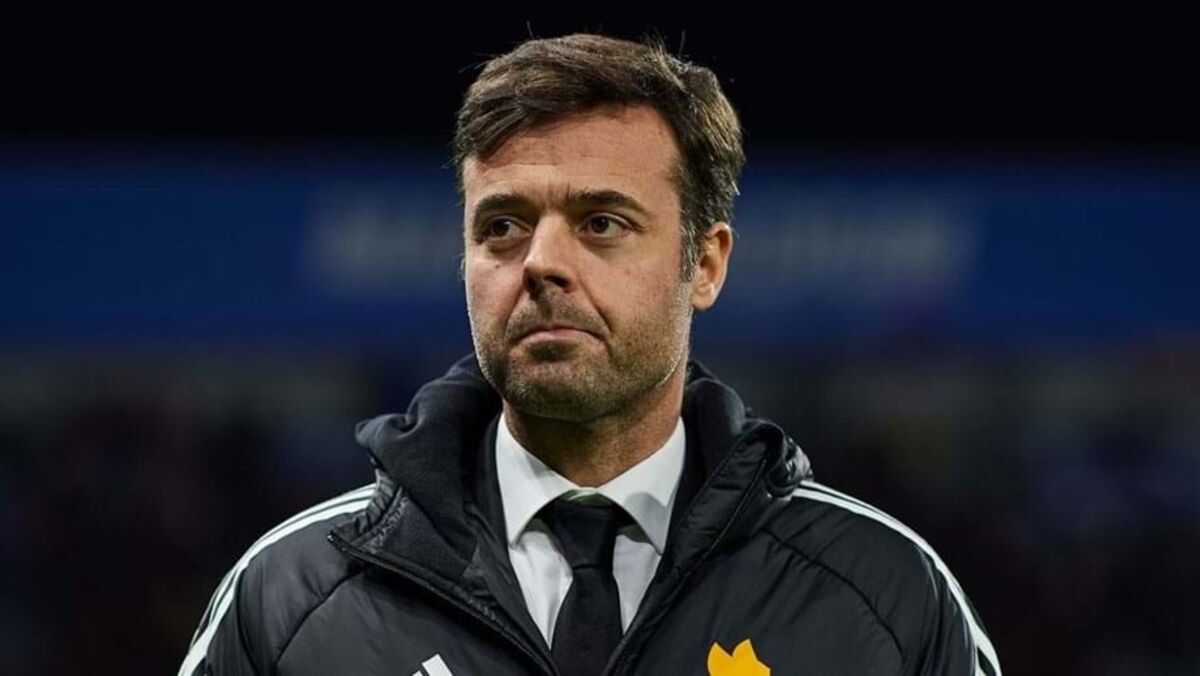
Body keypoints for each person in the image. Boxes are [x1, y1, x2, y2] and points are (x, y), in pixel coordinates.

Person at [178, 33, 1001, 676]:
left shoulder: (886, 597)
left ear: (705, 263)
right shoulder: (290, 601)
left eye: (602, 223)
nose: (541, 262)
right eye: (502, 226)